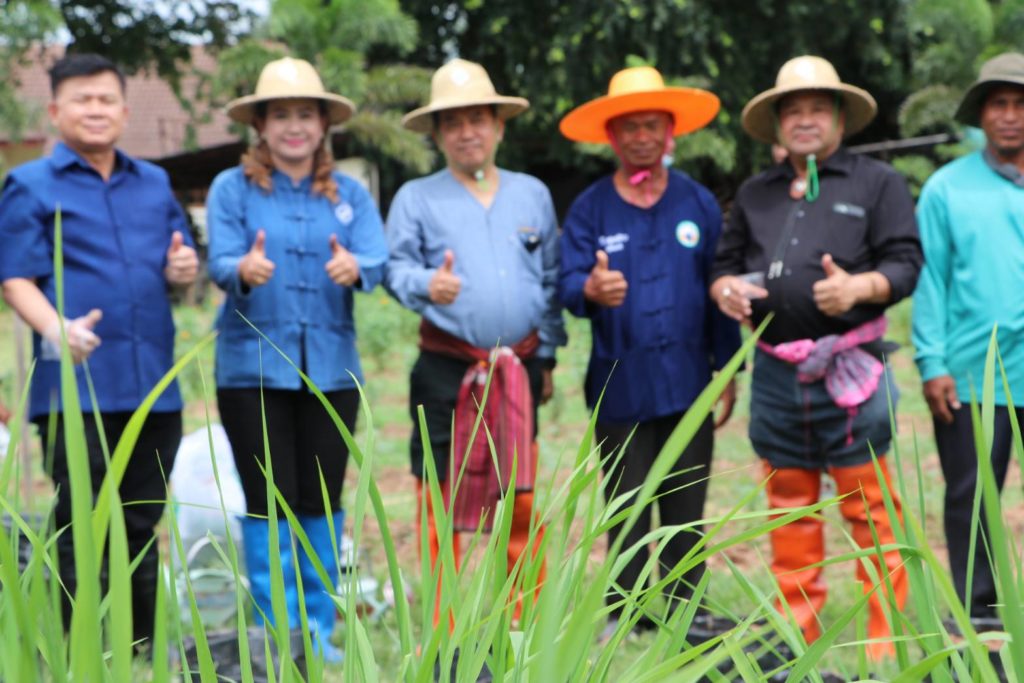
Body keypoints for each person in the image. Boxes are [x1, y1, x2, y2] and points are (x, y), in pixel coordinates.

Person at [710, 55, 922, 658]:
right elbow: (724, 265)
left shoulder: (876, 183)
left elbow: (905, 261)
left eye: (816, 109)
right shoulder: (755, 192)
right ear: (777, 123)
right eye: (792, 110)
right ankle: (793, 635)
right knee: (788, 506)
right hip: (777, 373)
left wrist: (861, 287)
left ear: (838, 117)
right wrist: (725, 290)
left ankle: (890, 641)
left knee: (871, 509)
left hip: (851, 373)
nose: (804, 120)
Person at [0, 53, 199, 646]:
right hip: (76, 385)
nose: (95, 109)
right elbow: (14, 278)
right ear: (56, 110)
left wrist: (183, 268)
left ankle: (138, 648)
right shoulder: (29, 184)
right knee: (80, 524)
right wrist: (55, 328)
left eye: (106, 99)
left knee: (141, 520)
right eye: (82, 99)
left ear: (124, 110)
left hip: (154, 383)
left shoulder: (155, 182)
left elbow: (178, 264)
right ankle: (81, 648)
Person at [206, 56, 388, 661]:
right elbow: (220, 260)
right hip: (251, 369)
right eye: (280, 114)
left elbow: (377, 257)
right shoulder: (232, 188)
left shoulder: (350, 194)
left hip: (331, 367)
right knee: (267, 497)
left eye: (304, 114)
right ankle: (270, 627)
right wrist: (244, 270)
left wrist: (356, 267)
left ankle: (318, 623)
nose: (293, 126)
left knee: (321, 496)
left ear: (322, 124)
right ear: (260, 125)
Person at [557, 66, 741, 631]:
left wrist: (729, 369)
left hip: (689, 379)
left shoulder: (698, 203)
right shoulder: (590, 208)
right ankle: (627, 611)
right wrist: (591, 288)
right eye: (629, 127)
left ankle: (689, 611)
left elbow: (721, 284)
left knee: (686, 502)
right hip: (619, 383)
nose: (641, 136)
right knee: (627, 502)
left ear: (670, 131)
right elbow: (566, 284)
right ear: (611, 137)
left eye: (651, 125)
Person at [385, 59, 565, 625]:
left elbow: (552, 278)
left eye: (478, 119)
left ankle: (521, 620)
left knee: (521, 496)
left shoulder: (531, 194)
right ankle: (446, 627)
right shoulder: (416, 198)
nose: (468, 132)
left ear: (499, 126)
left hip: (519, 369)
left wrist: (551, 354)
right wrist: (425, 284)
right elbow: (393, 269)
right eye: (454, 122)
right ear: (438, 134)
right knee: (439, 494)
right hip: (446, 368)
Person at [912, 52, 1024, 628]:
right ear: (981, 113)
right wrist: (931, 361)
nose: (1011, 116)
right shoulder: (946, 189)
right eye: (999, 104)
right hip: (973, 371)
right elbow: (929, 279)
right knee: (973, 497)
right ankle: (979, 617)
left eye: (1021, 104)